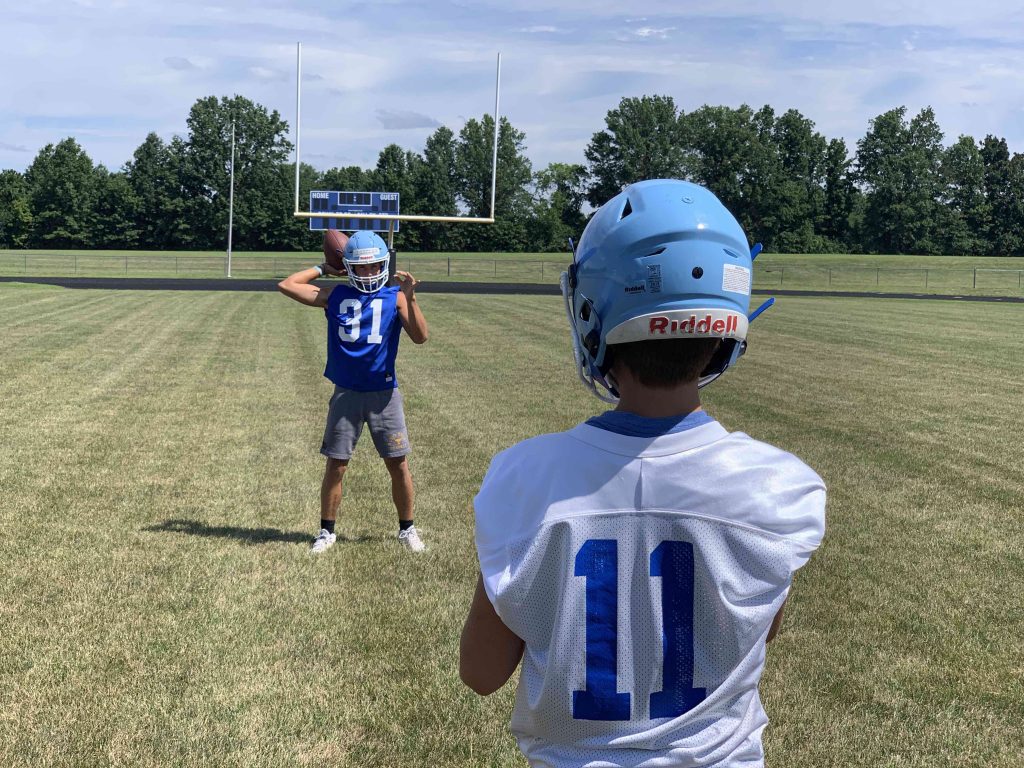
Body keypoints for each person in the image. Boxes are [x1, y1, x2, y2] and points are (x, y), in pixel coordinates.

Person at [459, 179, 826, 767]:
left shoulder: (524, 476)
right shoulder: (779, 486)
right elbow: (756, 629)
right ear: (726, 328)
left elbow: (481, 672)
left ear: (593, 315)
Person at [277, 230, 429, 554]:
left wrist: (411, 298)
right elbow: (287, 285)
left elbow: (421, 337)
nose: (369, 272)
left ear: (383, 265)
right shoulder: (335, 295)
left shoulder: (396, 297)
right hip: (346, 393)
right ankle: (326, 532)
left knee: (398, 463)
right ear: (349, 267)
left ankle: (407, 529)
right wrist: (323, 268)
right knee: (337, 464)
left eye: (374, 266)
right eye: (361, 267)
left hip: (384, 393)